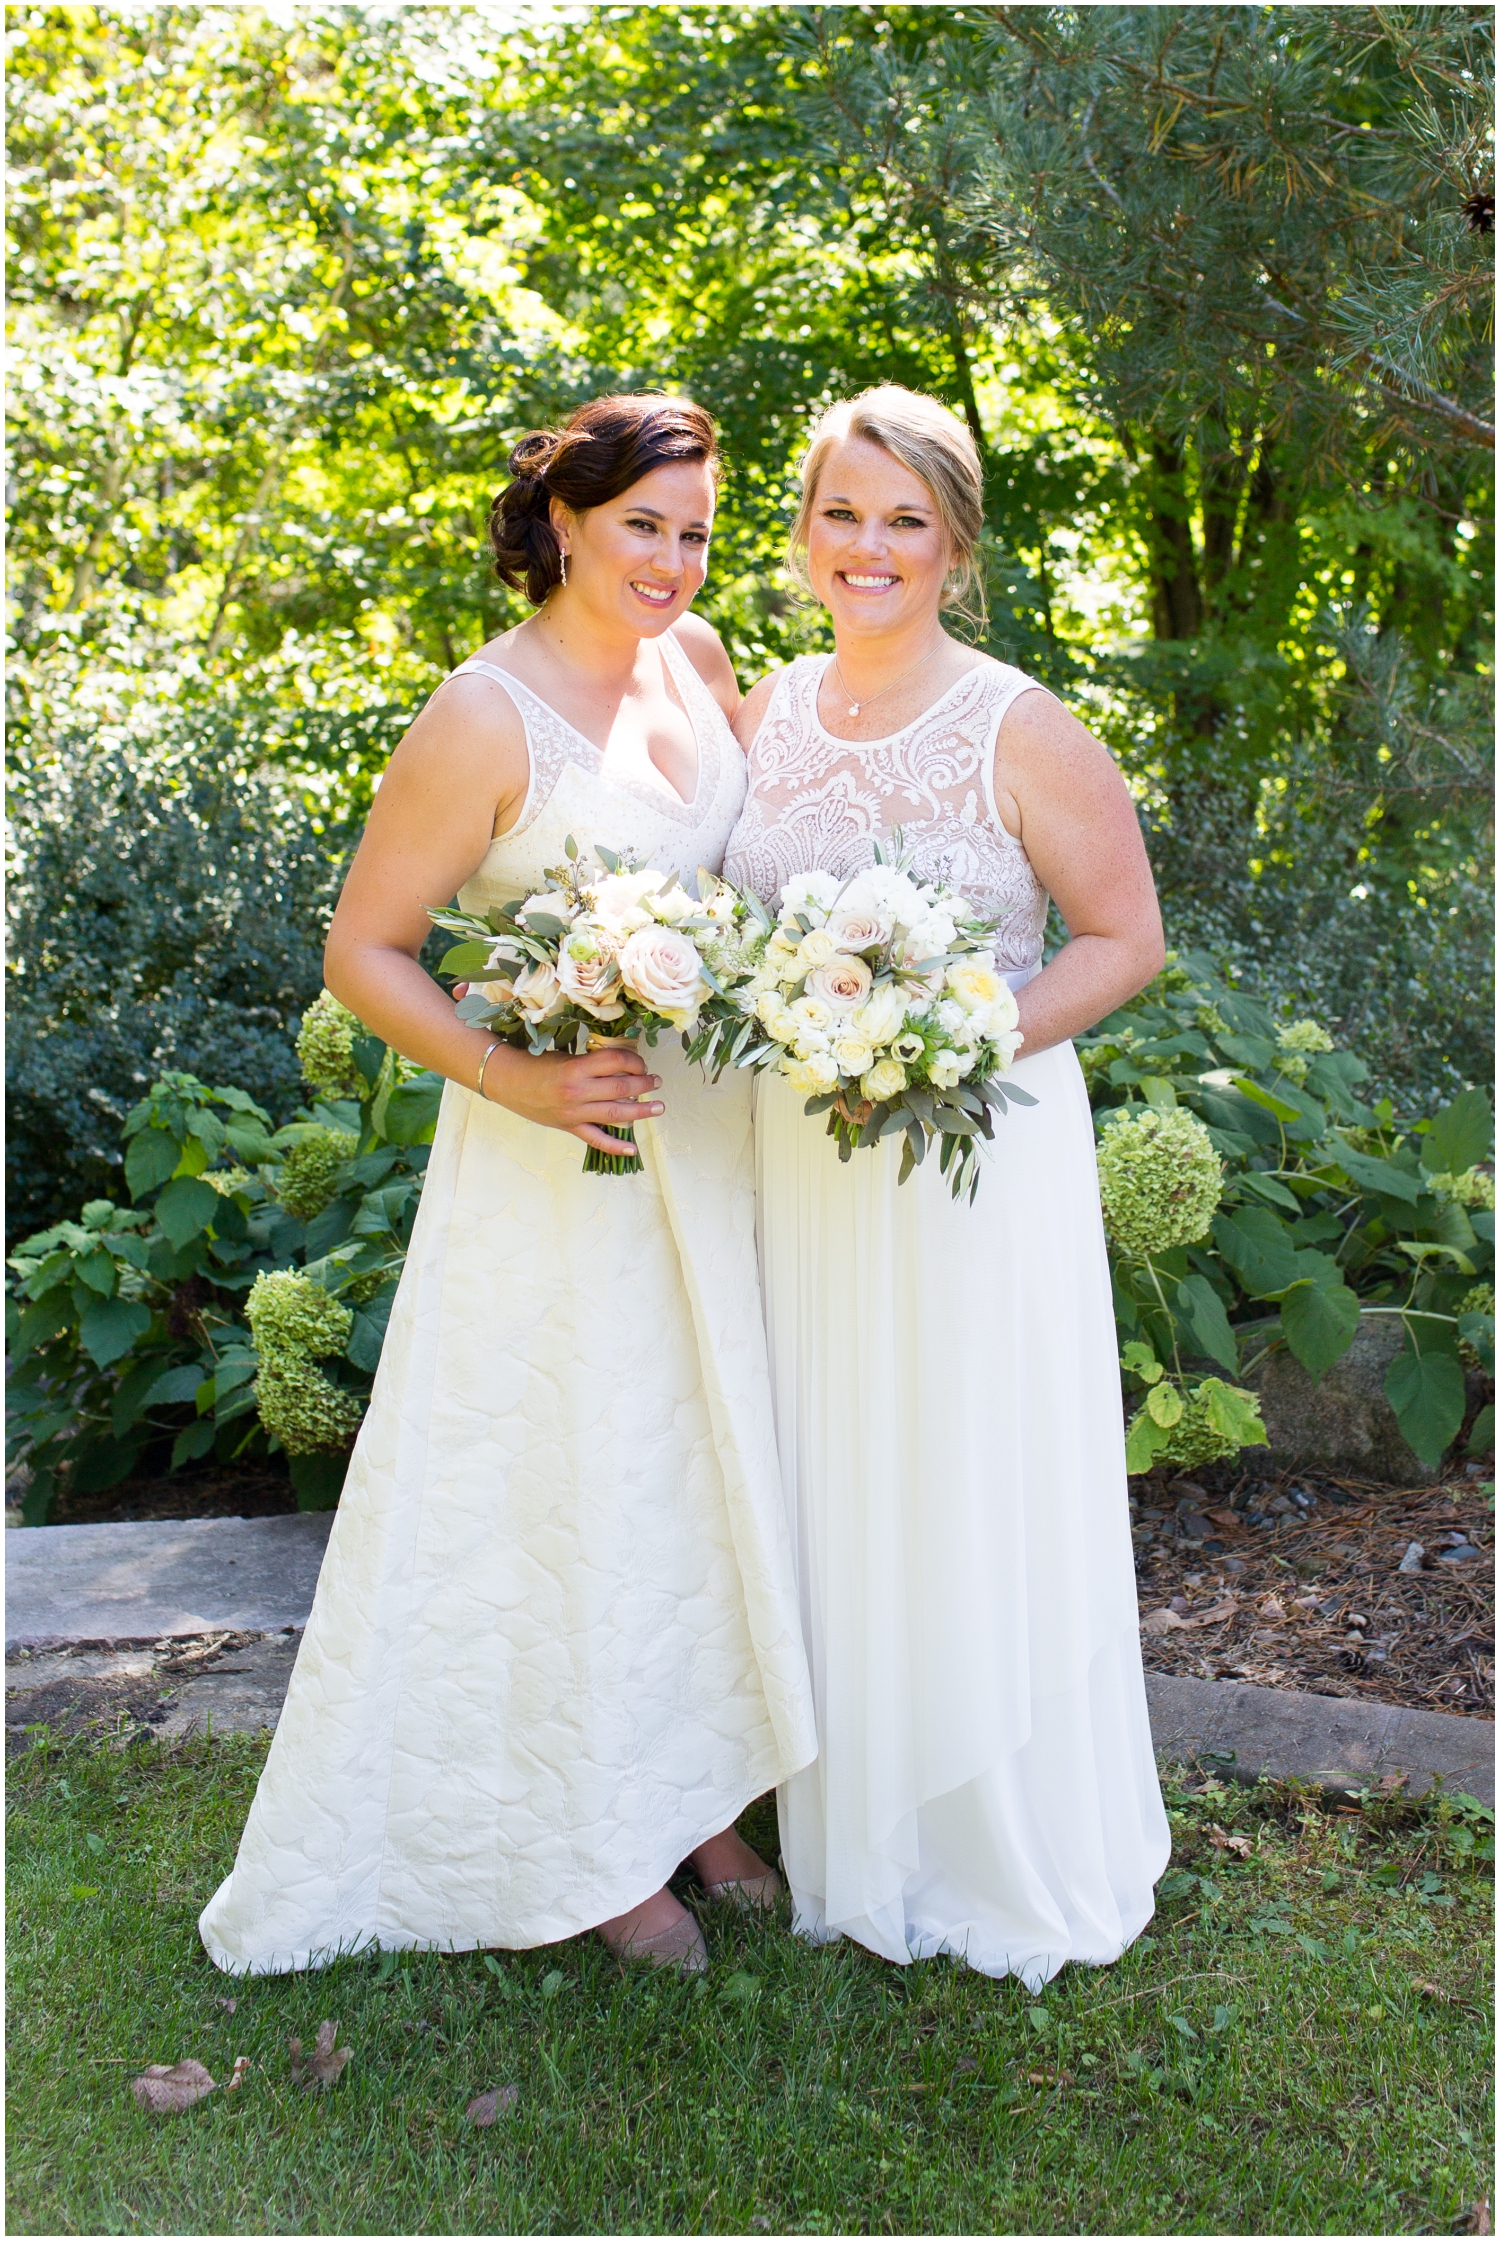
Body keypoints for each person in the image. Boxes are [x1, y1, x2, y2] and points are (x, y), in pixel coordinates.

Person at [201, 393, 815, 1978]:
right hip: (560, 1164)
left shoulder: (699, 662)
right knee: (582, 1483)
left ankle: (695, 1799)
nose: (675, 562)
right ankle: (589, 1841)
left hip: (713, 1139)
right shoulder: (482, 716)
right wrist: (523, 1078)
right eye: (643, 529)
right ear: (563, 522)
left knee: (696, 1467)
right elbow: (363, 952)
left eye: (695, 530)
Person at [722, 384, 1171, 1986]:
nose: (869, 546)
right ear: (802, 533)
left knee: (961, 1468)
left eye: (905, 518)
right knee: (828, 1457)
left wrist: (951, 1043)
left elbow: (1127, 941)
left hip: (972, 1157)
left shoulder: (1019, 723)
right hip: (805, 1156)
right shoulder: (760, 709)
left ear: (957, 545)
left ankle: (985, 1822)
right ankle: (841, 1805)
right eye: (843, 512)